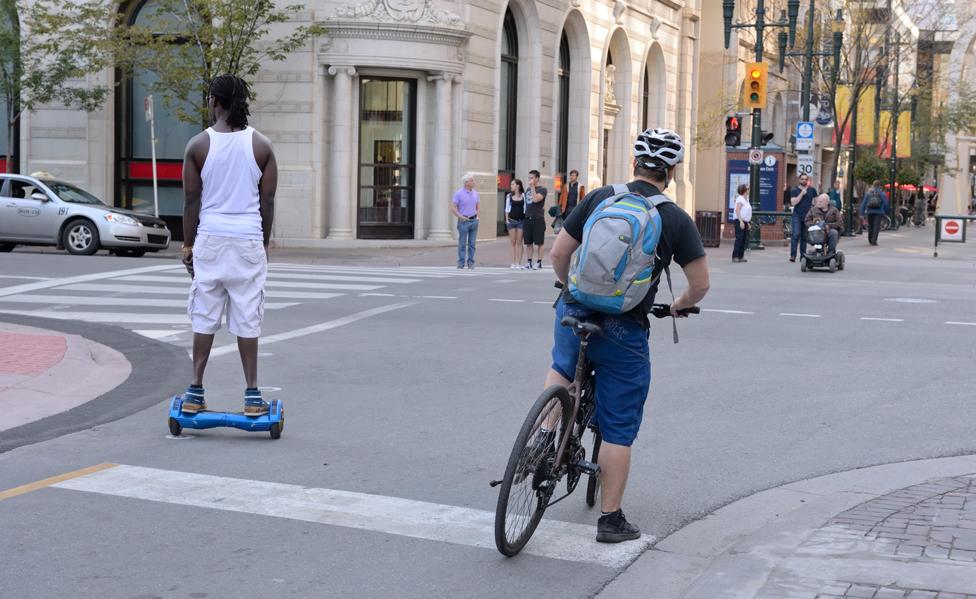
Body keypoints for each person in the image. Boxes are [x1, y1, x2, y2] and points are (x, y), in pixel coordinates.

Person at [547, 127, 709, 543]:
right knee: (617, 428)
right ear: (671, 171)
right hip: (624, 325)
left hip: (574, 309)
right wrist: (678, 305)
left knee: (561, 370)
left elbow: (559, 254)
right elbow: (701, 283)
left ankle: (545, 440)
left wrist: (569, 289)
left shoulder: (600, 197)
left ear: (634, 163)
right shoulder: (675, 218)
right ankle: (610, 519)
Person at [180, 74, 278, 416]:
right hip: (248, 237)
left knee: (205, 314)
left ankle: (195, 390)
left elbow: (191, 201)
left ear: (214, 102)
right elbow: (267, 203)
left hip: (210, 237)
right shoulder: (262, 146)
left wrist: (187, 246)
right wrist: (262, 244)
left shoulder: (198, 146)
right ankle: (252, 396)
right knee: (248, 316)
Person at [451, 173, 480, 269]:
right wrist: (460, 216)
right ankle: (461, 262)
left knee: (472, 244)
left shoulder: (476, 193)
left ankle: (471, 262)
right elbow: (453, 208)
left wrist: (478, 216)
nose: (473, 182)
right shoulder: (458, 193)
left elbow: (478, 206)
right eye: (472, 180)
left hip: (474, 220)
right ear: (466, 182)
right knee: (462, 243)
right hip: (463, 221)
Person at [789, 173, 818, 262]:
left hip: (807, 216)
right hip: (797, 215)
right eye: (802, 179)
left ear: (808, 180)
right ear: (799, 180)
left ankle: (803, 256)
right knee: (796, 234)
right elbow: (793, 203)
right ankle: (793, 255)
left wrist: (815, 212)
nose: (804, 181)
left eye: (806, 179)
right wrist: (802, 193)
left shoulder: (812, 190)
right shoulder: (794, 190)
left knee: (804, 237)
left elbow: (816, 202)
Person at [523, 169, 547, 270]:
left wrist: (532, 187)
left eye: (532, 178)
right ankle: (529, 262)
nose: (530, 180)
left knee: (539, 242)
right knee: (528, 242)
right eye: (529, 178)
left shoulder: (542, 189)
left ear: (537, 178)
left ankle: (539, 262)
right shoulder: (528, 190)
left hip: (538, 219)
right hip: (528, 218)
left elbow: (536, 199)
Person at [859, 180, 890, 246]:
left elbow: (863, 204)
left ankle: (870, 239)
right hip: (879, 212)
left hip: (870, 211)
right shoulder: (882, 193)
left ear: (873, 185)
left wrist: (862, 213)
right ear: (880, 186)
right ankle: (874, 241)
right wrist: (886, 211)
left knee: (870, 226)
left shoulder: (868, 193)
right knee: (876, 226)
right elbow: (886, 203)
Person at [505, 178, 526, 269]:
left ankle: (518, 262)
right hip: (512, 221)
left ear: (518, 185)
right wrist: (507, 220)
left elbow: (526, 208)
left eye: (512, 184)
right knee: (513, 242)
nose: (511, 186)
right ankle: (513, 262)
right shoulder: (509, 196)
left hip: (521, 221)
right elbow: (506, 209)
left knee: (519, 242)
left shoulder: (524, 196)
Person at [732, 183, 751, 263]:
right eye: (748, 189)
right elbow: (737, 210)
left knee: (743, 239)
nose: (749, 190)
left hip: (745, 221)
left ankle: (741, 256)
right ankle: (735, 256)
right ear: (744, 191)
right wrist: (741, 221)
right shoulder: (740, 199)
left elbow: (746, 211)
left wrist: (748, 222)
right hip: (739, 221)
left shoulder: (746, 199)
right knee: (739, 238)